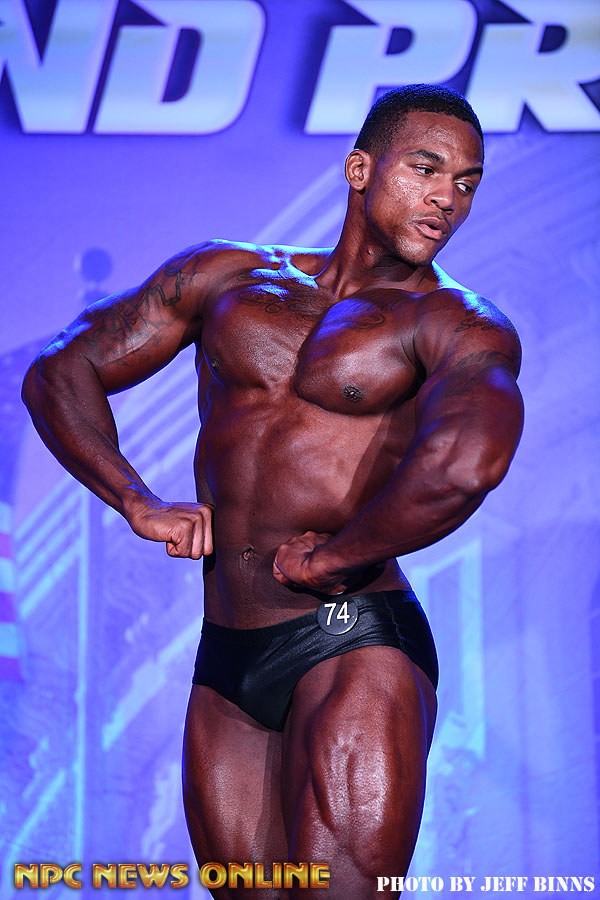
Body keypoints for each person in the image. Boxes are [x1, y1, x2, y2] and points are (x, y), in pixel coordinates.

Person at [22, 84, 523, 898]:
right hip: (227, 656)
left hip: (353, 641)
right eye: (426, 169)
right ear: (360, 170)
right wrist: (136, 500)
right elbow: (62, 369)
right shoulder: (225, 276)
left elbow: (466, 464)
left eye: (467, 182)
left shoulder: (455, 323)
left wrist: (338, 558)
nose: (447, 198)